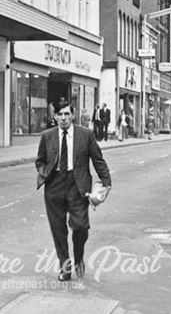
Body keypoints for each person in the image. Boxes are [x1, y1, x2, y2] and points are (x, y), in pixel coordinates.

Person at [35, 100, 111, 282]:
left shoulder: (86, 135)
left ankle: (78, 257)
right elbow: (40, 160)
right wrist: (46, 172)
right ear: (54, 116)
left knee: (81, 227)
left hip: (78, 186)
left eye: (66, 114)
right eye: (59, 115)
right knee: (58, 229)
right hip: (55, 185)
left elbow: (97, 160)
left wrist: (106, 182)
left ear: (73, 115)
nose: (63, 118)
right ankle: (65, 267)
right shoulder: (47, 136)